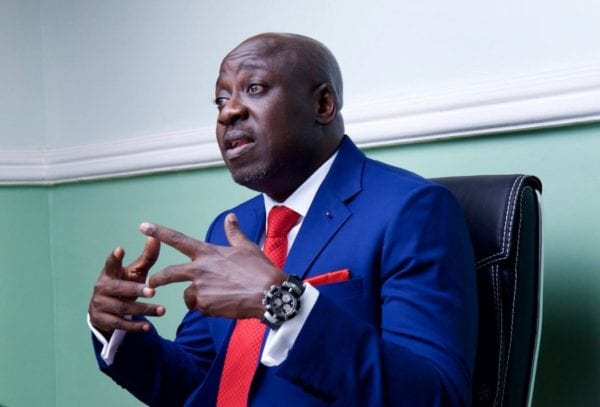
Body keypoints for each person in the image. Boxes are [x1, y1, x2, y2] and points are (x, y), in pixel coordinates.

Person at [88, 32, 477, 406]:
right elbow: (199, 386)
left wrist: (281, 302)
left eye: (254, 88)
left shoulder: (411, 211)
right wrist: (119, 328)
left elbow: (435, 397)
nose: (229, 112)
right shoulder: (230, 227)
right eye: (221, 99)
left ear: (322, 105)